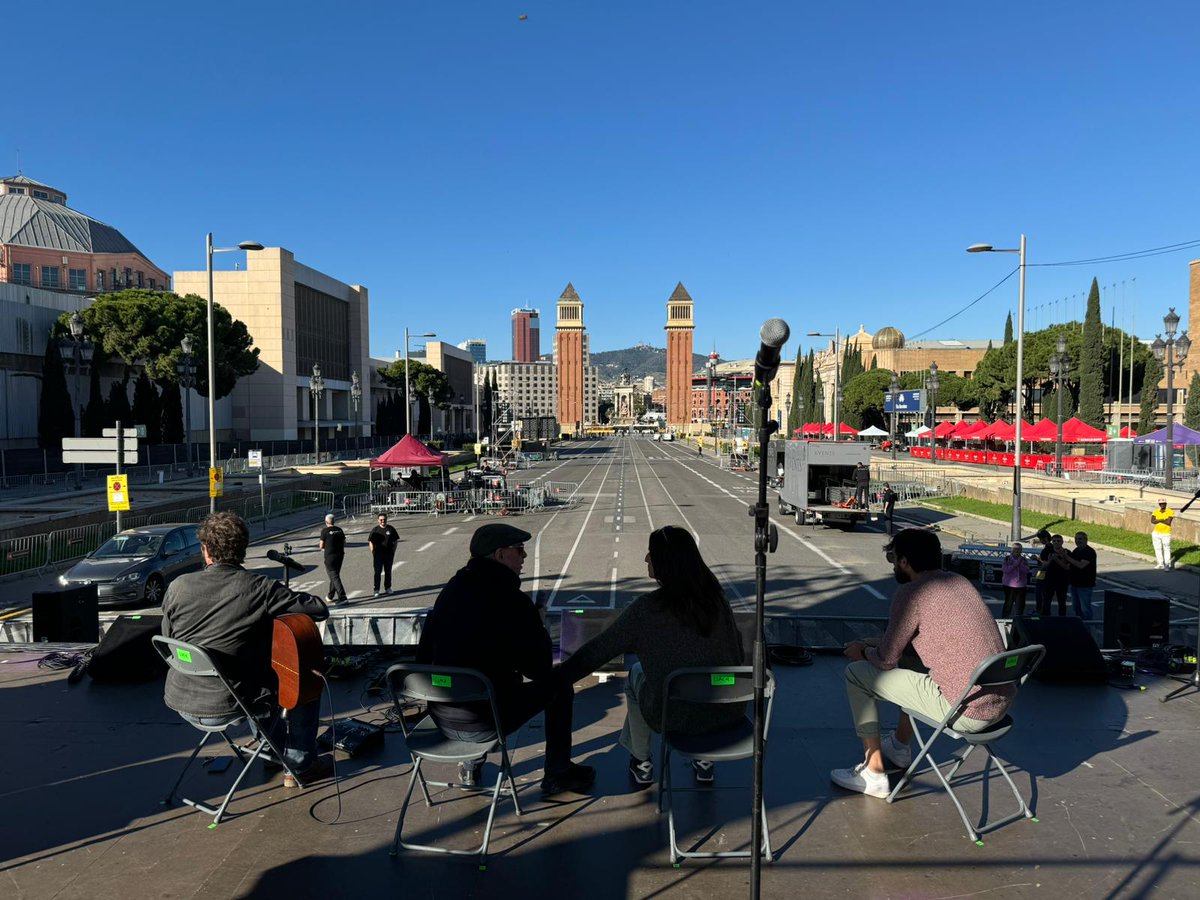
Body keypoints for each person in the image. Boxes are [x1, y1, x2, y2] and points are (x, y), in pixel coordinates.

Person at [831, 528, 1015, 799]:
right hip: (998, 705)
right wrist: (875, 644)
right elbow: (910, 645)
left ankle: (873, 773)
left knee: (856, 674)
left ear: (904, 561)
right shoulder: (959, 582)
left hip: (966, 712)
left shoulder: (912, 593)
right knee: (913, 664)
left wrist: (862, 651)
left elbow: (885, 660)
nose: (893, 565)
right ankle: (899, 747)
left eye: (893, 558)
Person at [556, 526, 745, 786]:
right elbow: (737, 650)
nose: (646, 558)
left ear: (665, 562)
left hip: (675, 715)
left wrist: (557, 679)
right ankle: (704, 760)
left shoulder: (646, 610)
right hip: (728, 713)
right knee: (703, 678)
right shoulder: (718, 600)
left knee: (636, 674)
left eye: (651, 553)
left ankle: (642, 760)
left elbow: (597, 651)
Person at [416, 522, 594, 796]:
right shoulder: (512, 600)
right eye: (519, 551)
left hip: (441, 716)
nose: (524, 557)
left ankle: (471, 763)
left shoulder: (450, 590)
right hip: (486, 720)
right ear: (500, 555)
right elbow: (538, 670)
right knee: (559, 687)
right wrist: (539, 626)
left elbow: (424, 655)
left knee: (467, 682)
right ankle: (558, 772)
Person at [161, 511, 332, 787]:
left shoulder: (177, 586)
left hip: (182, 699)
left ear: (205, 551)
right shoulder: (259, 588)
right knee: (304, 680)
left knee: (255, 678)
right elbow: (318, 609)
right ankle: (301, 764)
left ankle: (268, 749)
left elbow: (169, 639)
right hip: (230, 703)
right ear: (242, 550)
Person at [1038, 534, 1072, 616]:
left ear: (1062, 542)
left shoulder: (1067, 552)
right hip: (1048, 580)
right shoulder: (1046, 551)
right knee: (1046, 601)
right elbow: (1041, 566)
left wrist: (1061, 557)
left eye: (1058, 541)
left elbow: (1067, 567)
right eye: (1054, 541)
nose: (1056, 543)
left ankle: (1062, 619)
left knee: (1062, 602)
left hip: (1062, 580)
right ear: (1052, 542)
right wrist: (1049, 561)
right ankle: (1045, 619)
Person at [368, 513, 400, 597]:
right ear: (378, 520)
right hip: (378, 555)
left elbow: (396, 540)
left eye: (384, 519)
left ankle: (388, 588)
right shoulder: (375, 530)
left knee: (388, 571)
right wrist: (373, 552)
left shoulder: (391, 529)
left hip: (388, 554)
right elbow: (370, 541)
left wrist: (393, 551)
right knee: (377, 572)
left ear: (386, 519)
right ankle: (376, 589)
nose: (383, 521)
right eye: (381, 520)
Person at [1067, 531, 1097, 619]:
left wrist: (1066, 557)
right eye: (1076, 539)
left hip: (1085, 585)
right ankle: (1080, 627)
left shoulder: (1089, 552)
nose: (1077, 541)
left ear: (1086, 540)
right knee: (1076, 608)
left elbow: (1081, 565)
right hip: (1074, 584)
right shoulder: (1076, 551)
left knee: (1085, 609)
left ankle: (1088, 628)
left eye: (1080, 539)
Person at [319, 513, 347, 604]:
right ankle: (330, 595)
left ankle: (342, 597)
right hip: (340, 555)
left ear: (326, 522)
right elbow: (344, 541)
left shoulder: (325, 531)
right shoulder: (339, 530)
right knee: (334, 576)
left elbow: (321, 545)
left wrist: (324, 549)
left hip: (330, 557)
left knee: (334, 576)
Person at [1000, 542, 1030, 617]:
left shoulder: (1024, 560)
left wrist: (1019, 564)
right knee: (1008, 603)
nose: (1016, 550)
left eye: (1018, 549)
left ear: (1021, 550)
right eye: (1014, 549)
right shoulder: (1007, 559)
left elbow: (1026, 570)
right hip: (1009, 585)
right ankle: (1005, 618)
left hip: (1021, 585)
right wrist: (1015, 564)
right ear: (1011, 550)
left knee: (1020, 604)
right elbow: (1005, 570)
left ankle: (1019, 618)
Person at [1151, 499, 1174, 570]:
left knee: (1166, 548)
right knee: (1157, 548)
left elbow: (1168, 522)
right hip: (1156, 532)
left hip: (1166, 533)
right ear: (1159, 504)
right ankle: (1160, 563)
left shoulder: (1170, 511)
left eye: (1163, 503)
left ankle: (1167, 564)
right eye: (1161, 504)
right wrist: (1163, 519)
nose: (1162, 505)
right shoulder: (1156, 511)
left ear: (1166, 504)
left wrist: (1158, 520)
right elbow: (1152, 521)